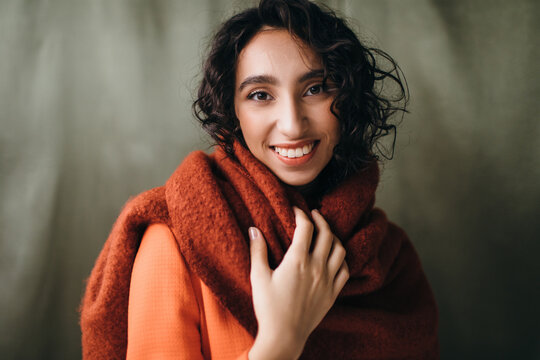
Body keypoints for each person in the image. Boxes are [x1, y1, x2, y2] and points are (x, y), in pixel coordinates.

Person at [80, 0, 439, 359]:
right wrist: (281, 341)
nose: (292, 124)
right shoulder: (173, 241)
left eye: (315, 89)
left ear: (347, 99)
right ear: (233, 112)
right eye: (260, 95)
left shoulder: (390, 258)